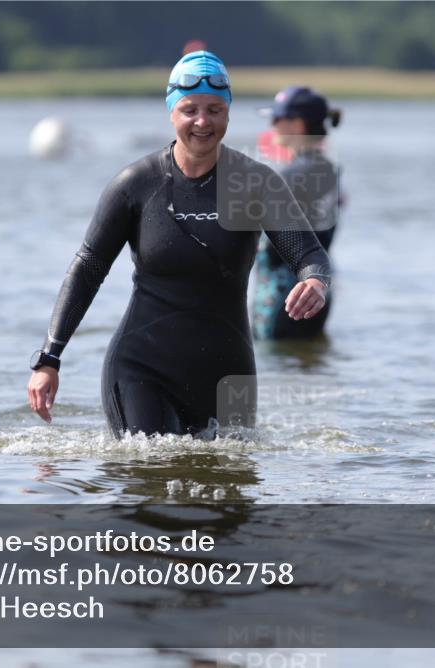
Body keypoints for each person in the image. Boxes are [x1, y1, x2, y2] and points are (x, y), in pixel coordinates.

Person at [26, 51, 331, 438]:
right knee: (150, 477)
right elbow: (87, 268)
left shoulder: (257, 184)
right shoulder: (136, 184)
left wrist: (316, 282)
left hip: (228, 375)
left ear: (228, 113)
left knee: (231, 489)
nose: (202, 122)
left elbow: (309, 254)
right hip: (143, 368)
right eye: (190, 110)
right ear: (172, 112)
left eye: (215, 110)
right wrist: (49, 359)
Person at [252, 86, 342, 340]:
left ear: (298, 125)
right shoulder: (329, 169)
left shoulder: (291, 175)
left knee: (278, 369)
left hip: (285, 294)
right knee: (306, 366)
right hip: (318, 290)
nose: (272, 126)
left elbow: (270, 244)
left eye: (277, 119)